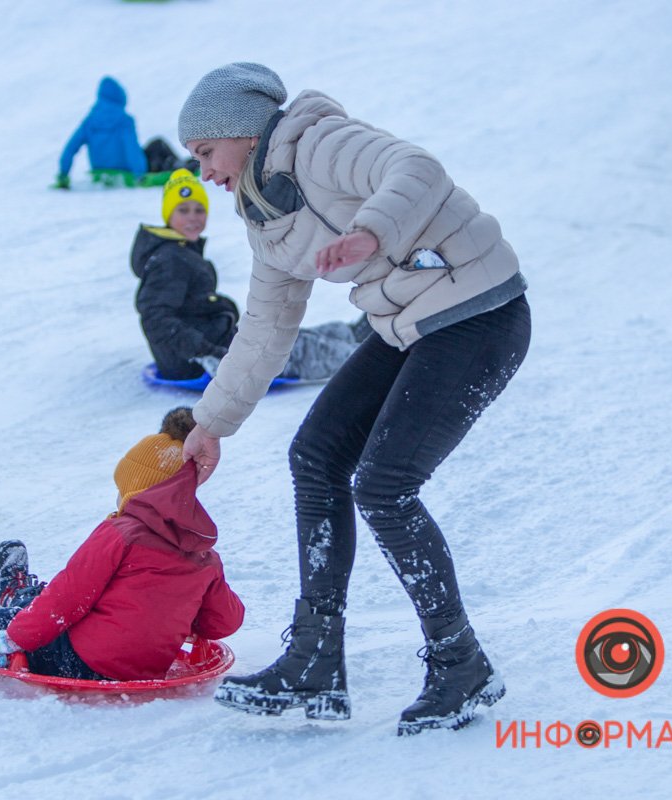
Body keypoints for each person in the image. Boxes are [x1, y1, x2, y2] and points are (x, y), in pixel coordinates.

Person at [175, 63, 531, 734]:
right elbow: (265, 329)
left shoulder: (319, 143)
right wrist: (210, 423)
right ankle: (314, 659)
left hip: (480, 312)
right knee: (316, 455)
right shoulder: (266, 214)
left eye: (206, 154)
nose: (205, 172)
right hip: (411, 325)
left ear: (241, 134)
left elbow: (416, 170)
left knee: (385, 485)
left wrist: (371, 232)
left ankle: (462, 664)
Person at [0, 407, 245, 681]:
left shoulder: (120, 534)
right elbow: (224, 622)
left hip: (81, 661)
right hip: (147, 667)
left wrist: (13, 637)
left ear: (139, 491)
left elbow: (68, 599)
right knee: (65, 607)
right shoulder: (203, 556)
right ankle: (18, 596)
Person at [131, 168, 367, 381]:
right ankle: (363, 355)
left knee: (287, 336)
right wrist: (203, 352)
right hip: (202, 358)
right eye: (183, 210)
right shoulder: (170, 259)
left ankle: (351, 335)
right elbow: (155, 317)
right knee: (293, 349)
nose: (193, 217)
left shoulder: (181, 253)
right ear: (168, 215)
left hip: (221, 342)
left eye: (199, 209)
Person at [56, 76, 190, 189]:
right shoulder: (124, 120)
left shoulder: (89, 122)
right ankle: (180, 166)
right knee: (158, 144)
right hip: (127, 170)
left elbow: (70, 148)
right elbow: (130, 147)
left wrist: (63, 174)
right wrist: (139, 173)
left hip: (100, 169)